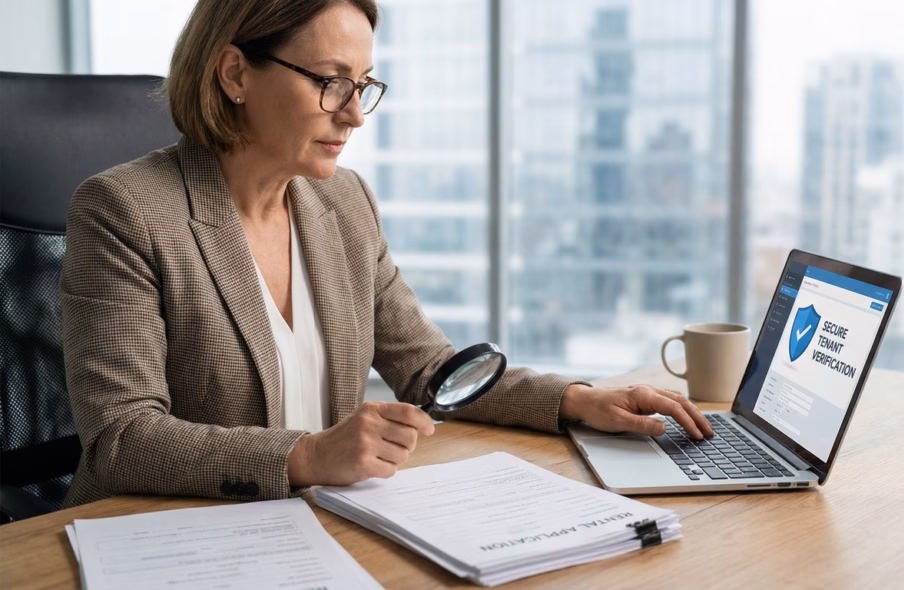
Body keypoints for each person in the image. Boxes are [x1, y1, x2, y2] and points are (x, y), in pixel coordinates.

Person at [60, 0, 712, 508]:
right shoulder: (125, 212)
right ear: (235, 73)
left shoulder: (344, 203)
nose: (354, 116)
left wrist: (576, 400)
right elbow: (123, 439)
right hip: (161, 537)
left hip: (311, 524)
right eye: (330, 81)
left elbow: (430, 371)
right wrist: (307, 456)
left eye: (364, 84)